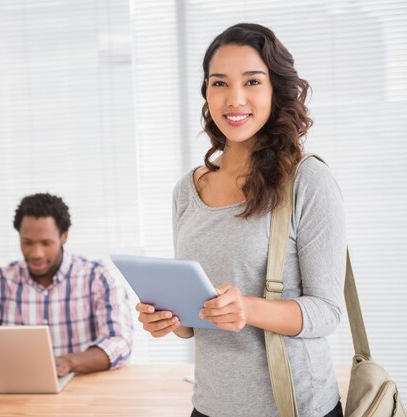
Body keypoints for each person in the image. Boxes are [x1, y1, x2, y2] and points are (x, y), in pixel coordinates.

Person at [136, 23, 346, 417]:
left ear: (275, 90)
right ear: (207, 93)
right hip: (210, 407)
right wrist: (168, 319)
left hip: (294, 408)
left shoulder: (307, 180)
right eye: (220, 83)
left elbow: (327, 311)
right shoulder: (187, 190)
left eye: (252, 81)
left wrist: (249, 308)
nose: (234, 99)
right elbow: (195, 319)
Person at [0, 192, 133, 376]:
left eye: (46, 243)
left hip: (82, 390)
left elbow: (119, 343)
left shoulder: (98, 278)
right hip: (16, 389)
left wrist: (68, 362)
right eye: (27, 242)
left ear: (63, 237)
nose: (36, 253)